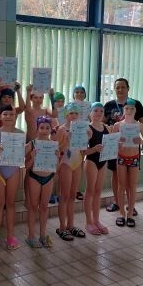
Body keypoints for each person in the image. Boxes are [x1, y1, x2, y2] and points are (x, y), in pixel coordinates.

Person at [104, 78, 143, 215]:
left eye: (123, 87)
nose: (120, 89)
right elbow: (102, 123)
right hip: (116, 147)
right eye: (117, 87)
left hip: (132, 147)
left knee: (130, 179)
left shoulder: (136, 104)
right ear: (114, 89)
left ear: (128, 88)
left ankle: (131, 205)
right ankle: (117, 202)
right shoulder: (109, 105)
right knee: (116, 175)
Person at [0, 104, 25, 251]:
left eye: (11, 114)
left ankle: (10, 236)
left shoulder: (21, 133)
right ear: (0, 116)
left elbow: (22, 155)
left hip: (13, 170)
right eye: (5, 114)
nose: (8, 117)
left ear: (16, 116)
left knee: (10, 204)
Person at [112, 99, 143, 227]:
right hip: (121, 158)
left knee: (132, 186)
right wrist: (118, 142)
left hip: (134, 157)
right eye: (127, 108)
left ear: (135, 110)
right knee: (121, 186)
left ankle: (130, 214)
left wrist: (141, 142)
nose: (129, 111)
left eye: (132, 109)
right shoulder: (118, 125)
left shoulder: (140, 126)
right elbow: (111, 143)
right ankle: (121, 213)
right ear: (123, 110)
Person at [54, 103, 86, 241]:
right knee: (64, 196)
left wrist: (87, 137)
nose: (74, 116)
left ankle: (71, 225)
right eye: (71, 113)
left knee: (73, 195)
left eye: (76, 113)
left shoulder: (81, 128)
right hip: (65, 163)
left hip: (77, 162)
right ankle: (62, 227)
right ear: (66, 115)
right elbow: (55, 149)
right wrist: (66, 141)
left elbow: (83, 148)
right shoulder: (62, 129)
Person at [24, 116, 56, 248]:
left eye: (47, 128)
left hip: (49, 177)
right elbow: (26, 166)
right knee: (33, 207)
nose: (44, 130)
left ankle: (43, 235)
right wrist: (32, 157)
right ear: (37, 129)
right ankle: (31, 236)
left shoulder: (53, 145)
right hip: (34, 177)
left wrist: (57, 157)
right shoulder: (31, 144)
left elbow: (56, 166)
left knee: (44, 207)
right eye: (42, 127)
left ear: (50, 129)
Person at [83, 102, 111, 235]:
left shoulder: (106, 128)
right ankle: (89, 222)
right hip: (91, 161)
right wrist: (94, 149)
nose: (99, 113)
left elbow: (110, 145)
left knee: (98, 191)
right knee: (90, 191)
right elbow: (83, 152)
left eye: (101, 111)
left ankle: (96, 220)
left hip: (103, 161)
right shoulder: (87, 129)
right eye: (96, 111)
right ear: (90, 113)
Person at [72, 85, 90, 201]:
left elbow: (92, 120)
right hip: (71, 137)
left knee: (79, 164)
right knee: (69, 163)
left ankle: (76, 189)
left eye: (81, 92)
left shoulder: (89, 106)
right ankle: (68, 189)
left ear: (85, 95)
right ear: (73, 94)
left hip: (83, 137)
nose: (79, 94)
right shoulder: (69, 106)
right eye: (77, 92)